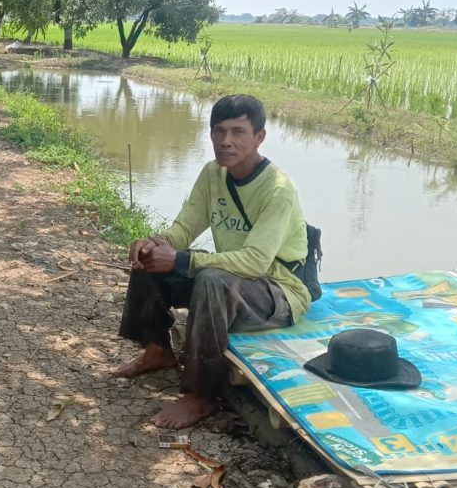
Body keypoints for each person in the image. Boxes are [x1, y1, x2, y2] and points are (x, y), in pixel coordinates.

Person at [114, 95, 311, 430]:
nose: (225, 141)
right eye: (218, 131)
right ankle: (158, 350)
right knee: (152, 259)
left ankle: (202, 393)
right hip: (231, 281)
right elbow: (184, 228)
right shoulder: (212, 174)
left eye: (238, 132)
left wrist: (181, 260)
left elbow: (255, 262)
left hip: (276, 290)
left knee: (210, 278)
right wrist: (157, 243)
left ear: (259, 137)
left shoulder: (278, 190)